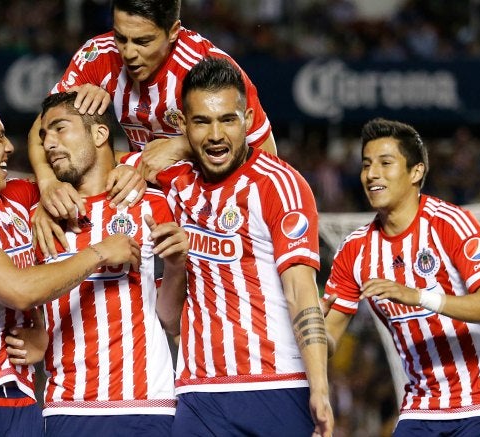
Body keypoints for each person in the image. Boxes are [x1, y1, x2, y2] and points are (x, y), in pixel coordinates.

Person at [0, 87, 141, 437]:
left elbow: (78, 158)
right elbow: (18, 290)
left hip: (20, 399)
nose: (10, 147)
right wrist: (99, 253)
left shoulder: (16, 199)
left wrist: (133, 167)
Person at [147, 57, 333, 436]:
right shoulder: (174, 187)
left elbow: (301, 291)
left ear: (248, 119)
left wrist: (320, 388)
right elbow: (169, 318)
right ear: (183, 126)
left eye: (227, 120)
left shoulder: (280, 185)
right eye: (202, 122)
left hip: (277, 385)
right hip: (198, 394)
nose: (216, 135)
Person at [322, 118, 480, 436]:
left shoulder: (451, 224)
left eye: (386, 163)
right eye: (367, 165)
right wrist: (309, 331)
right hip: (422, 405)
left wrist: (418, 296)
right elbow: (329, 335)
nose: (372, 174)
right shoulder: (354, 249)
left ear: (416, 172)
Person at [19, 91, 188, 436]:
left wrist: (176, 267)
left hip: (146, 405)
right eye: (43, 136)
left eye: (59, 129)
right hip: (65, 406)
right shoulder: (38, 218)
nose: (48, 143)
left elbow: (173, 321)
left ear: (99, 135)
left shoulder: (153, 202)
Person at [28, 0, 277, 229]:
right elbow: (42, 131)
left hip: (210, 208)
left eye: (143, 41)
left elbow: (266, 155)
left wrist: (183, 145)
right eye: (120, 38)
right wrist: (49, 184)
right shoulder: (98, 57)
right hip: (142, 199)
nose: (128, 53)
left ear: (173, 32)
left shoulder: (208, 69)